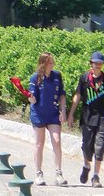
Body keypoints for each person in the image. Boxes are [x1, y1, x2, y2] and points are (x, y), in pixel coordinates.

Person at [67, 51, 104, 188]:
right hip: (87, 117)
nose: (98, 65)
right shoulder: (84, 78)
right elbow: (77, 96)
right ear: (91, 63)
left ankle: (96, 176)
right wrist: (71, 114)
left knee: (100, 146)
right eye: (96, 63)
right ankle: (86, 165)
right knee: (87, 146)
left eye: (100, 63)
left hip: (102, 117)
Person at [28, 52, 67, 187]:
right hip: (39, 114)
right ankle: (38, 173)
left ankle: (58, 173)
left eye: (53, 62)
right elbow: (32, 98)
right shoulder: (35, 78)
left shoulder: (57, 76)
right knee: (39, 143)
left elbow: (62, 95)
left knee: (56, 140)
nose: (53, 64)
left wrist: (63, 111)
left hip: (53, 113)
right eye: (50, 62)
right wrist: (31, 99)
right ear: (43, 64)